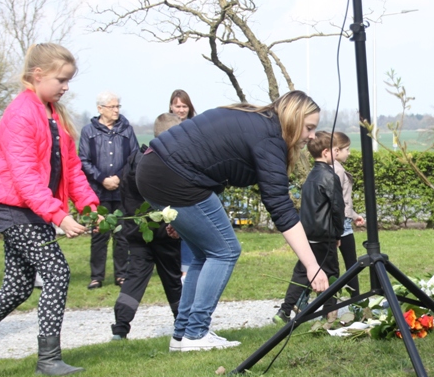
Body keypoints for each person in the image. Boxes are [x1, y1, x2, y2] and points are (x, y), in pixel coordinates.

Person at [0, 43, 99, 377]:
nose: (66, 87)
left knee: (16, 288)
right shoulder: (21, 113)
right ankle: (49, 359)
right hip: (14, 209)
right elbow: (25, 177)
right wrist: (59, 216)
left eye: (69, 80)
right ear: (38, 75)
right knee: (57, 272)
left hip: (31, 209)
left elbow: (72, 168)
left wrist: (91, 207)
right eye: (61, 79)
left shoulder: (54, 114)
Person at [136, 90, 329, 352]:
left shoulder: (254, 119)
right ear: (293, 119)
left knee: (203, 254)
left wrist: (186, 218)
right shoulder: (269, 138)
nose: (312, 136)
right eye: (309, 127)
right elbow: (280, 206)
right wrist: (312, 265)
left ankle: (182, 335)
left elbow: (208, 159)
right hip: (174, 176)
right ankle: (196, 333)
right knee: (225, 250)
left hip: (154, 169)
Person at [111, 113, 183, 341]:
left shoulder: (134, 160)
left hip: (136, 231)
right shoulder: (165, 163)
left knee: (134, 278)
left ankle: (120, 327)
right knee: (172, 279)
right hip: (164, 234)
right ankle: (182, 323)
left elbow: (125, 196)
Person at [275, 131, 345, 323]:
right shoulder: (330, 177)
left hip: (307, 234)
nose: (337, 152)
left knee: (301, 273)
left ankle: (284, 311)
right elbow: (337, 208)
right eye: (335, 149)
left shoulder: (311, 176)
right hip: (325, 235)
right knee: (331, 273)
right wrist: (338, 233)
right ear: (325, 152)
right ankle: (329, 315)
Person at [78, 91, 138, 289]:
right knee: (99, 234)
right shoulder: (88, 131)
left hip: (122, 191)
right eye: (112, 107)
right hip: (98, 192)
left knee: (122, 234)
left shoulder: (127, 130)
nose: (116, 110)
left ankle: (121, 274)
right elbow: (84, 160)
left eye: (117, 106)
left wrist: (119, 178)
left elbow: (134, 157)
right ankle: (97, 276)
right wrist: (102, 178)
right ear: (100, 108)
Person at [330, 132, 365, 297]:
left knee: (329, 263)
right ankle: (355, 299)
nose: (349, 153)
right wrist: (349, 216)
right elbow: (339, 201)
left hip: (339, 220)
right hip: (341, 222)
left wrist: (354, 215)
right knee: (352, 263)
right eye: (347, 149)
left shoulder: (331, 168)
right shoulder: (337, 170)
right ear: (337, 150)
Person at [167, 89, 196, 280]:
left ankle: (187, 267)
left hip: (189, 180)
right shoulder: (166, 125)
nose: (181, 110)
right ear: (171, 106)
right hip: (170, 181)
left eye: (184, 106)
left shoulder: (195, 127)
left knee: (188, 227)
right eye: (178, 106)